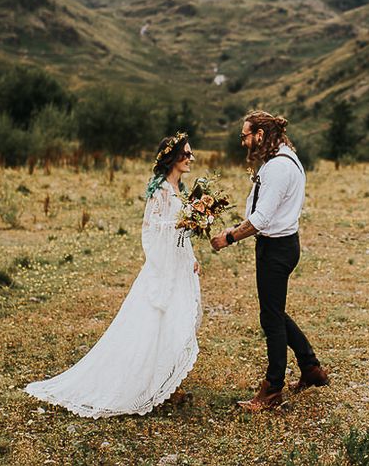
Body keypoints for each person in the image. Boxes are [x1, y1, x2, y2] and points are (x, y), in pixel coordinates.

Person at [25, 133, 202, 417]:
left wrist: (191, 256)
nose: (191, 158)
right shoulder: (159, 191)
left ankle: (168, 382)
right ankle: (146, 384)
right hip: (162, 267)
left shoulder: (180, 189)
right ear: (173, 157)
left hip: (179, 263)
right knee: (154, 324)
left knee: (178, 321)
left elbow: (181, 233)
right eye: (187, 154)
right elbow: (150, 229)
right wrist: (181, 224)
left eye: (191, 154)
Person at [211, 110, 328, 411]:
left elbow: (261, 220)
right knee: (274, 312)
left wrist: (229, 237)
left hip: (276, 249)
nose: (243, 142)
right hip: (283, 245)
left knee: (271, 318)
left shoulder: (277, 168)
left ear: (260, 135)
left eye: (245, 135)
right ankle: (311, 368)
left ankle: (272, 389)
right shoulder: (287, 157)